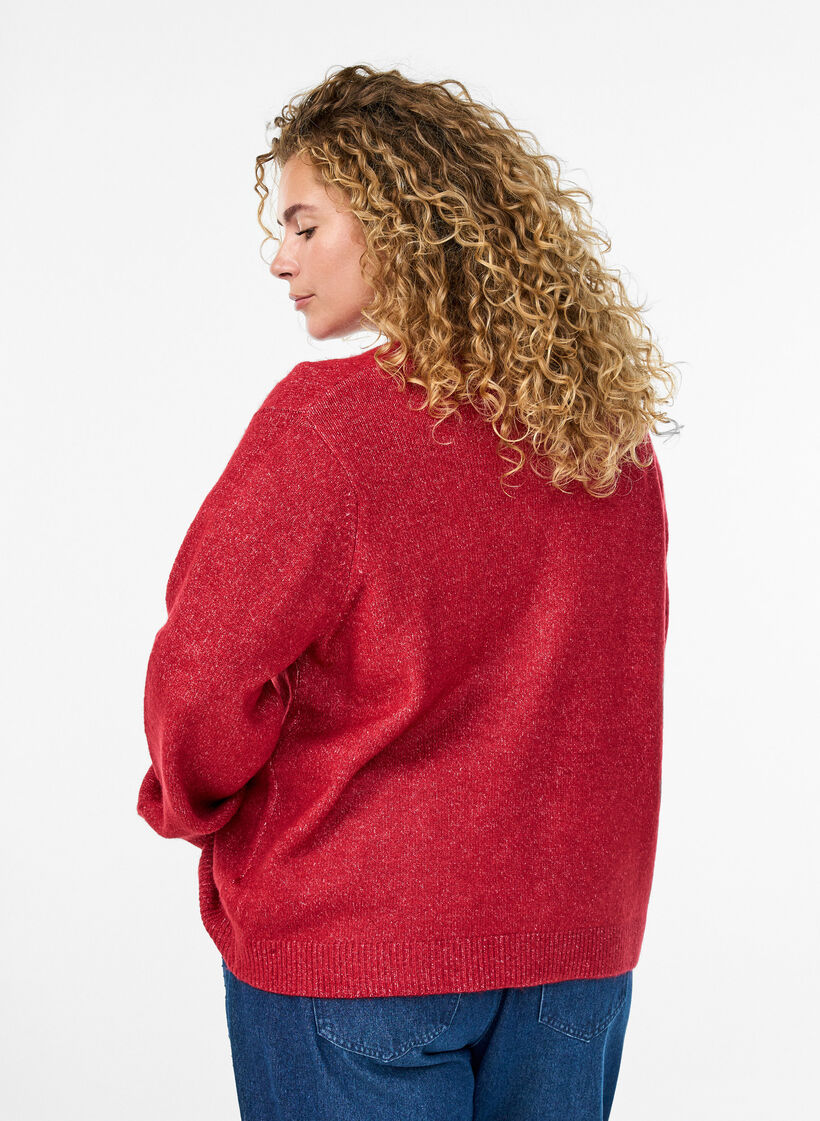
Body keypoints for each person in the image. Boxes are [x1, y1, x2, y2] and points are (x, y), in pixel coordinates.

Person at [137, 63, 679, 1121]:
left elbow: (201, 680)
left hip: (358, 946)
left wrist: (197, 803)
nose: (280, 257)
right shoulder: (606, 437)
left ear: (396, 223)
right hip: (576, 951)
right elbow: (616, 682)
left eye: (304, 225)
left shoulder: (327, 432)